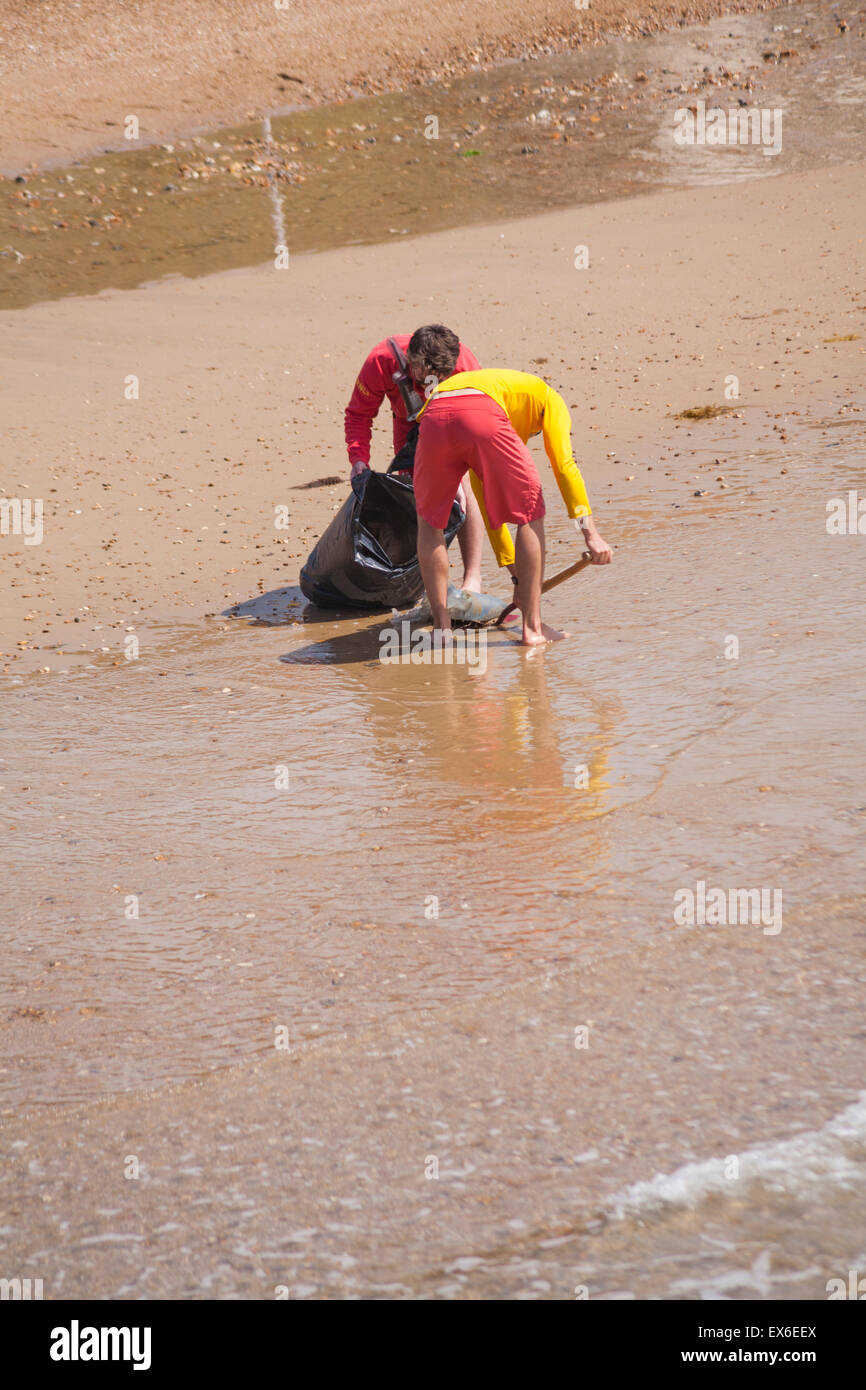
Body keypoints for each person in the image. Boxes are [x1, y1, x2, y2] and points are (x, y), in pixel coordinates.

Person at [411, 367, 612, 646]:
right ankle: (533, 628)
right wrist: (590, 534)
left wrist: (516, 574)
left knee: (430, 522)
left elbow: (485, 501)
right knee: (530, 512)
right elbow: (564, 467)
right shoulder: (550, 399)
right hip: (480, 412)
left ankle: (441, 630)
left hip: (433, 414)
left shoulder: (504, 395)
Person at [345, 325, 485, 591]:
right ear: (410, 360)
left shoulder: (466, 367)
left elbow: (478, 420)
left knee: (463, 487)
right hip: (409, 423)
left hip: (454, 418)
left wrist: (456, 472)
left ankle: (472, 578)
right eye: (423, 379)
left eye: (437, 378)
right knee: (417, 495)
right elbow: (358, 415)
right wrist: (358, 459)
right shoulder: (381, 361)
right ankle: (423, 581)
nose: (428, 385)